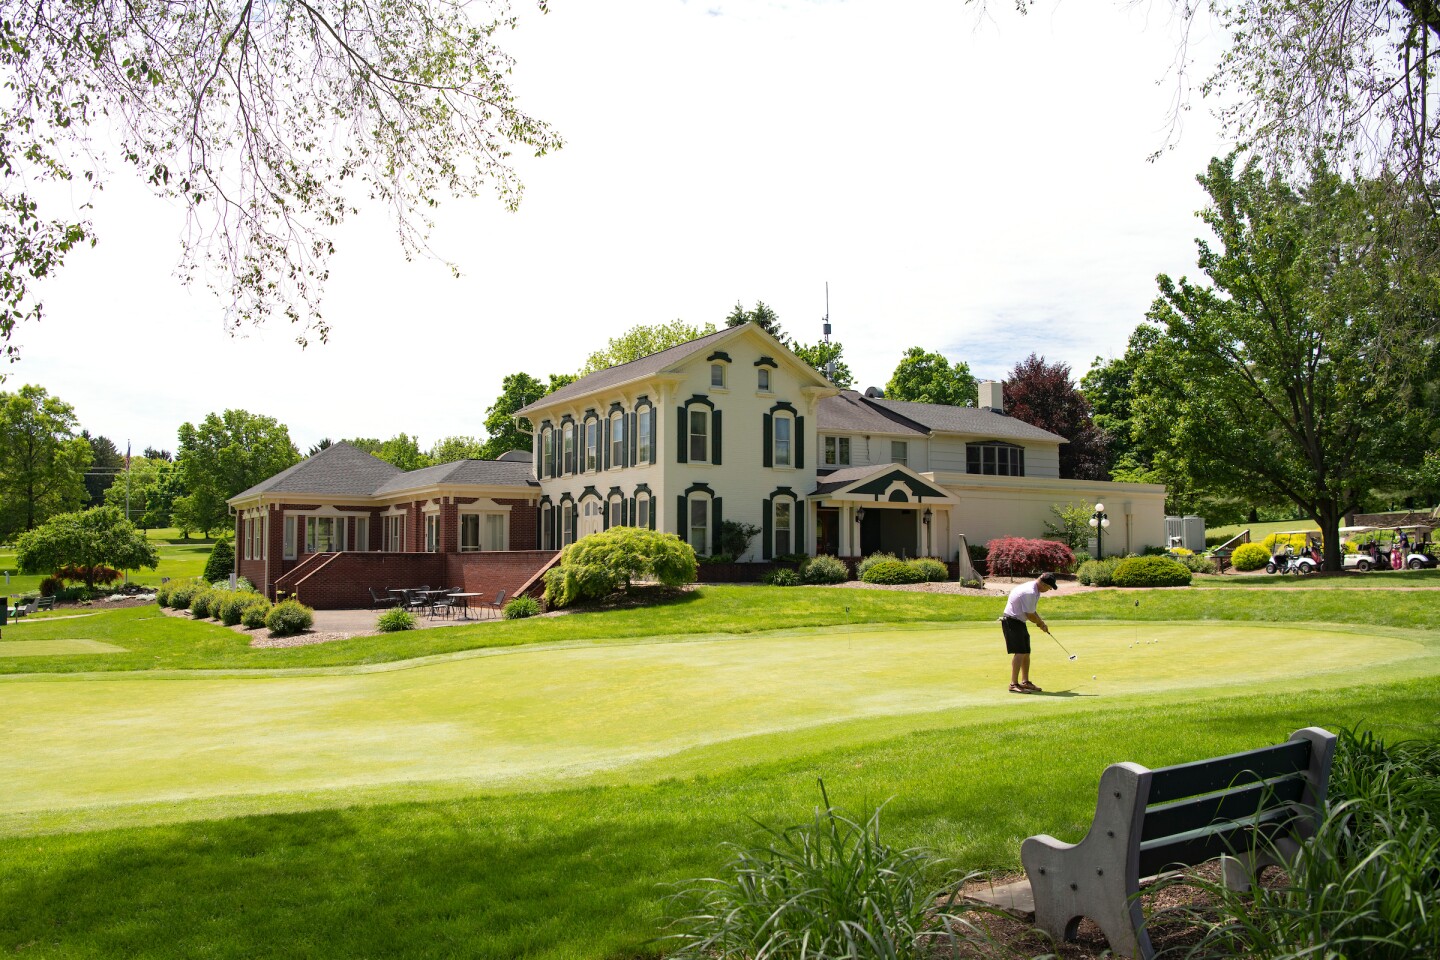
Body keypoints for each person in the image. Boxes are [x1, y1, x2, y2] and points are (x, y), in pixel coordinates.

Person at [1000, 572, 1057, 693]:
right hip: (1011, 621)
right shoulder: (1029, 592)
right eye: (1048, 587)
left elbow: (1032, 611)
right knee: (1020, 652)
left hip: (1019, 622)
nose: (1048, 590)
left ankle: (1025, 682)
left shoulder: (1035, 590)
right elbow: (1030, 615)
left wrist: (1041, 622)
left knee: (1026, 652)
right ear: (1042, 583)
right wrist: (1040, 624)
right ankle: (1013, 684)